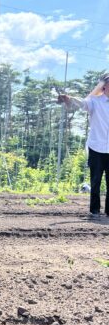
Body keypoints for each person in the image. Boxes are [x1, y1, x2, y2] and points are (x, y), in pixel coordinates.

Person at [58, 72, 109, 218]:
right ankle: (94, 211)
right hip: (96, 147)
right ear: (103, 86)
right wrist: (69, 99)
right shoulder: (95, 101)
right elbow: (82, 103)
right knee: (95, 181)